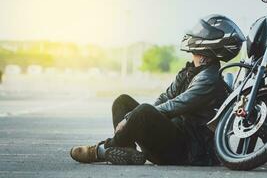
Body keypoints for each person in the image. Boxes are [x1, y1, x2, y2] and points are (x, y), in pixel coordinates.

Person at [70, 14, 245, 166]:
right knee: (123, 101)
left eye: (201, 32)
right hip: (171, 139)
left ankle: (102, 150)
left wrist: (134, 118)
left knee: (144, 110)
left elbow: (176, 105)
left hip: (186, 152)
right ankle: (126, 151)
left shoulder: (210, 79)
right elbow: (165, 98)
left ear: (210, 44)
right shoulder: (191, 71)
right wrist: (139, 120)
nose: (193, 34)